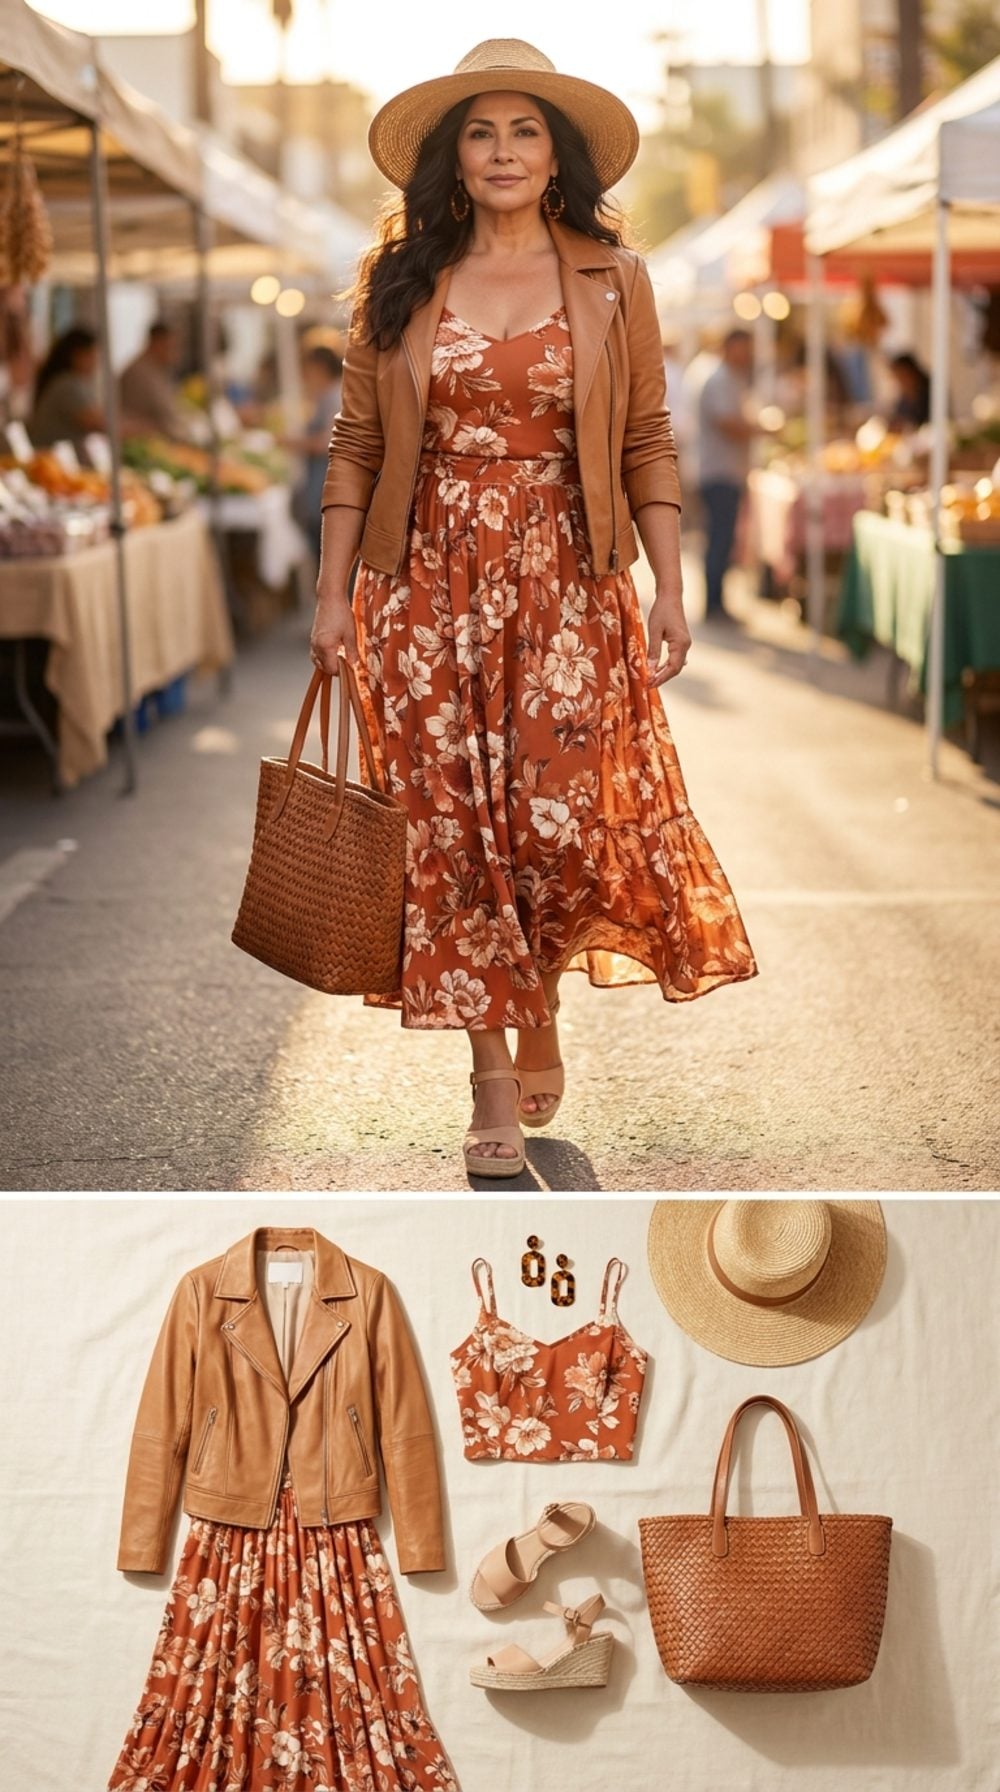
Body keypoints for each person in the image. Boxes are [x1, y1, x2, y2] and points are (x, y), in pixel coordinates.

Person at [311, 39, 757, 1178]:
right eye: (480, 132)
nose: (503, 151)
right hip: (420, 588)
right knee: (452, 834)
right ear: (452, 160)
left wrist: (669, 584)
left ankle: (540, 989)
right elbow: (357, 444)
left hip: (567, 579)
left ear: (555, 157)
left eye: (524, 131)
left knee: (554, 824)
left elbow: (648, 436)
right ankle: (488, 1074)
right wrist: (331, 596)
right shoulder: (400, 282)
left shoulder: (612, 276)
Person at [697, 327, 756, 620]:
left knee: (723, 538)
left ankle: (717, 600)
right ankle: (713, 602)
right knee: (719, 538)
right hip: (718, 471)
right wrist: (758, 428)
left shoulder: (731, 378)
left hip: (726, 470)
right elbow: (727, 422)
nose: (747, 354)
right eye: (743, 347)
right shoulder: (720, 379)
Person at [286, 343, 344, 548]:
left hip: (325, 487)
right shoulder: (328, 395)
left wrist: (289, 442)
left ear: (319, 367)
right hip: (320, 487)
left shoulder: (334, 396)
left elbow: (328, 441)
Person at [28, 325, 104, 455]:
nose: (95, 362)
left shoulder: (75, 382)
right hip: (50, 458)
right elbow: (97, 422)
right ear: (76, 355)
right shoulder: (66, 384)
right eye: (91, 355)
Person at [119, 321, 185, 438]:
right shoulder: (138, 372)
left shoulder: (158, 369)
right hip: (142, 439)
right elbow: (162, 411)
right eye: (171, 346)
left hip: (157, 439)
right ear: (157, 343)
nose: (175, 353)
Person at [887, 351, 931, 430]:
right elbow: (898, 415)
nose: (899, 381)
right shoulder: (905, 394)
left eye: (901, 375)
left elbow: (923, 423)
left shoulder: (929, 392)